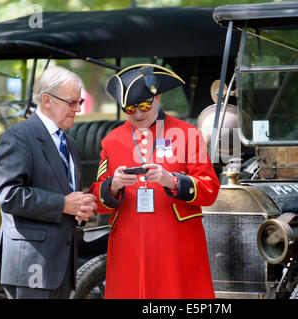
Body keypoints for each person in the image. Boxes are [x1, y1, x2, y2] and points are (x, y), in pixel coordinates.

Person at [89, 64, 220, 298]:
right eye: (130, 109)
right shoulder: (111, 140)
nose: (137, 114)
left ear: (157, 97)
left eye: (144, 106)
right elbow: (97, 199)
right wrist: (114, 185)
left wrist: (172, 180)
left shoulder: (188, 134)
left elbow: (209, 190)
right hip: (129, 244)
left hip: (176, 242)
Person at [0, 66, 97, 299]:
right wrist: (62, 204)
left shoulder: (70, 144)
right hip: (31, 262)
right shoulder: (18, 136)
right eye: (71, 102)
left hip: (61, 264)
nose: (78, 109)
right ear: (46, 100)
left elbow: (65, 195)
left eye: (79, 101)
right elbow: (8, 195)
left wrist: (78, 208)